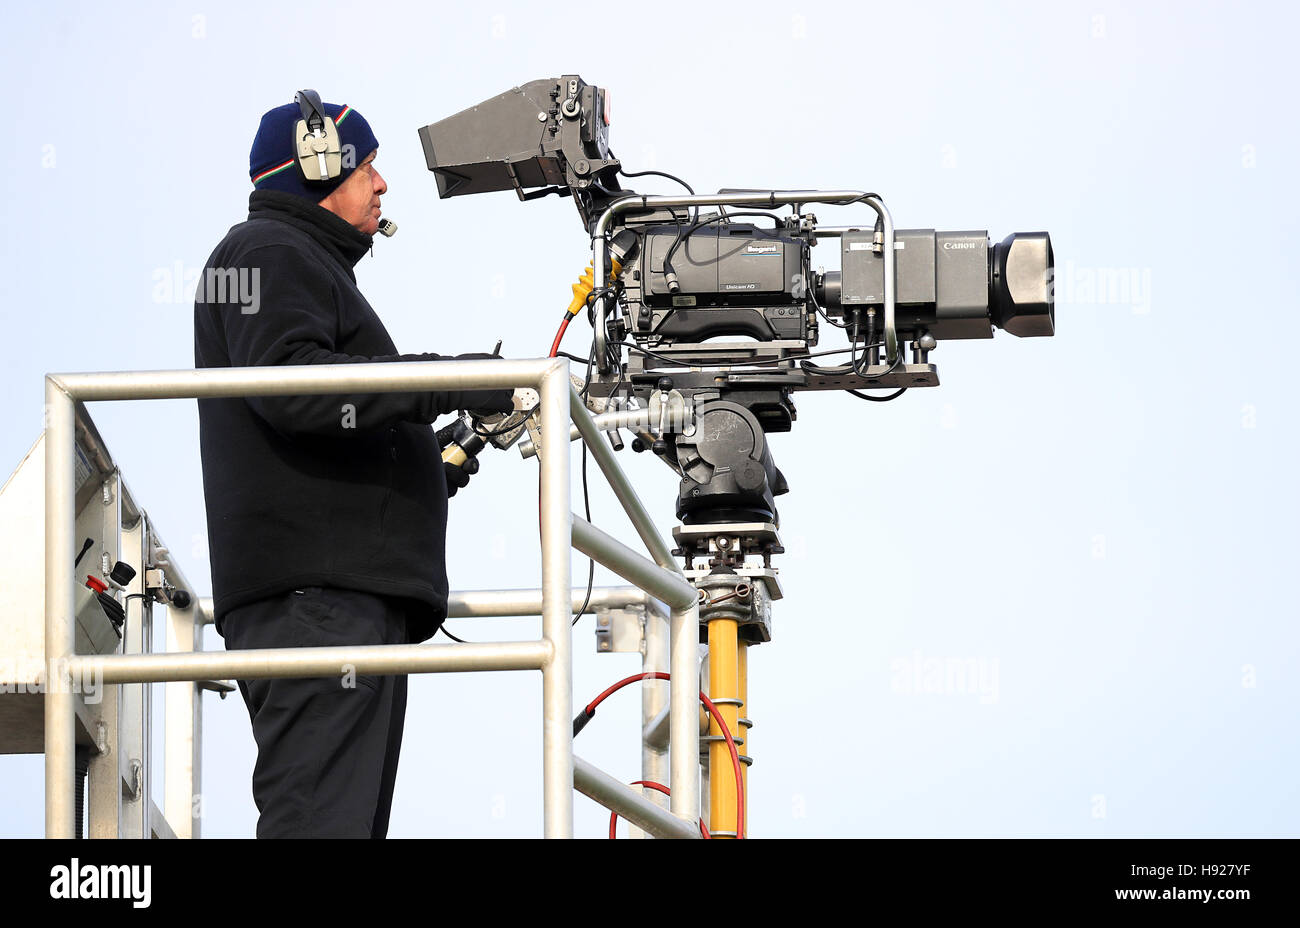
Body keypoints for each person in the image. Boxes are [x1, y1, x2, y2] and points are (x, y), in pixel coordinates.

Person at [193, 93, 512, 838]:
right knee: (320, 825)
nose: (382, 184)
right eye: (367, 164)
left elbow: (323, 416)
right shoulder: (267, 252)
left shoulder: (292, 261)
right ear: (316, 166)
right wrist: (452, 378)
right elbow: (296, 389)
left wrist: (425, 463)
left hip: (334, 601)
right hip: (317, 606)